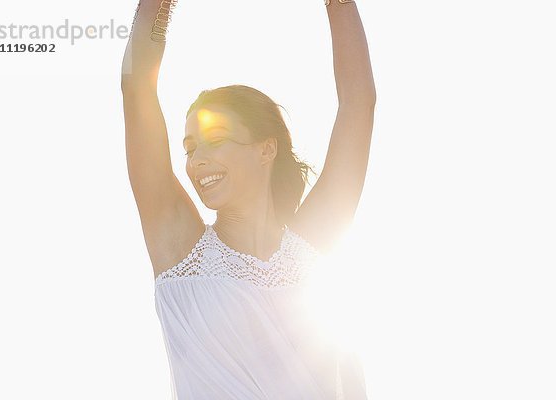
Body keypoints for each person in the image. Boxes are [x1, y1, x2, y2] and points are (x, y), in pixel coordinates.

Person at [121, 0, 376, 398]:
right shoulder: (180, 250)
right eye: (189, 148)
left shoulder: (312, 247)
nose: (196, 160)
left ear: (265, 149)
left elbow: (358, 103)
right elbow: (136, 87)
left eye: (215, 140)